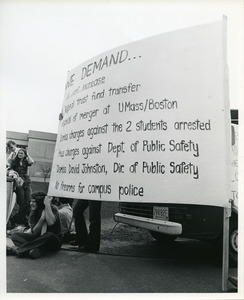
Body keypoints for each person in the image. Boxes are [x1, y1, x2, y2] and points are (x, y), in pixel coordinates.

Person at [7, 192, 62, 259]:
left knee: (49, 235)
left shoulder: (53, 208)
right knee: (15, 235)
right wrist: (42, 219)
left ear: (40, 203)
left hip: (52, 241)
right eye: (31, 201)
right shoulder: (33, 212)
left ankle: (18, 250)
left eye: (34, 202)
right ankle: (32, 250)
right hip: (38, 238)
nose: (31, 203)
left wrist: (47, 205)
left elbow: (50, 222)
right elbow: (35, 231)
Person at [8, 148, 34, 227]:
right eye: (19, 153)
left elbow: (32, 161)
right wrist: (14, 174)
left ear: (25, 155)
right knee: (21, 202)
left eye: (21, 153)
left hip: (26, 180)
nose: (19, 154)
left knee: (29, 201)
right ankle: (20, 219)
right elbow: (9, 168)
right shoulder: (14, 162)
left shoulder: (26, 161)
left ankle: (15, 219)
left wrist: (28, 155)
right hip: (18, 181)